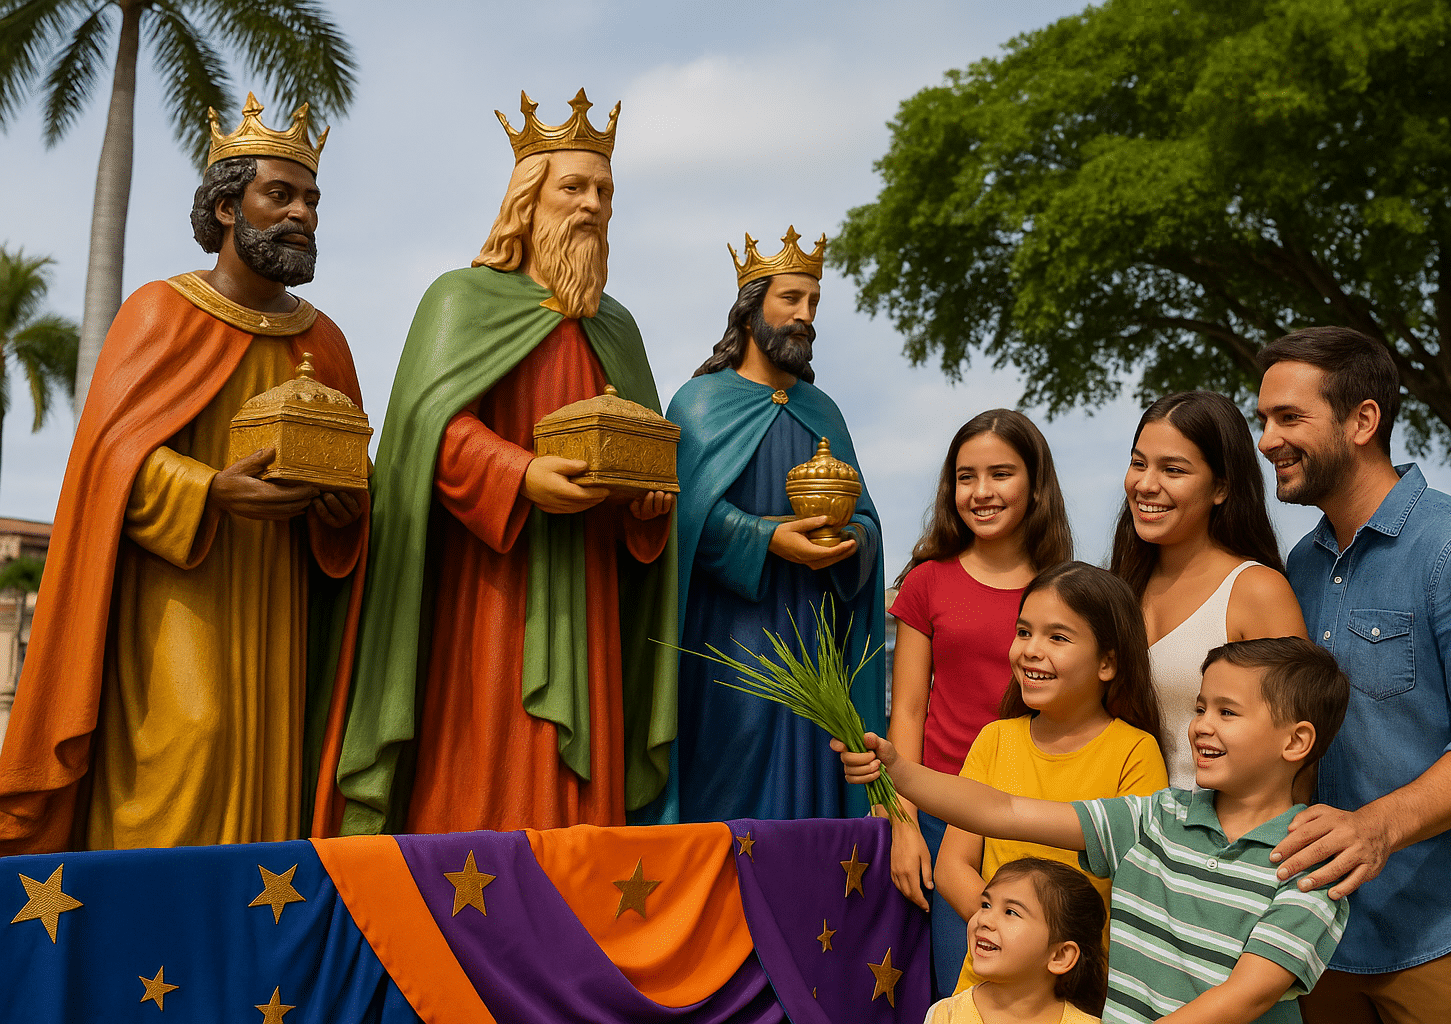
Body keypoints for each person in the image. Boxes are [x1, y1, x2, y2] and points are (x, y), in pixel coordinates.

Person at [0, 94, 368, 852]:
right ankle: (143, 950)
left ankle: (244, 955)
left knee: (272, 765)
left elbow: (356, 476)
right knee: (192, 737)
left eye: (311, 199)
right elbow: (107, 464)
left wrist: (343, 511)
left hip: (279, 602)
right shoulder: (160, 312)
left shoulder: (325, 340)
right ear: (228, 207)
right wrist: (208, 489)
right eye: (281, 194)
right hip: (176, 594)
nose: (303, 214)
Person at [333, 90, 677, 835]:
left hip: (589, 586)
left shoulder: (617, 327)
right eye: (573, 188)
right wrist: (519, 474)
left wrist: (647, 510)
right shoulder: (461, 298)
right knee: (484, 752)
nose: (591, 206)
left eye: (605, 192)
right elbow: (428, 431)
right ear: (528, 199)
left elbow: (649, 453)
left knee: (583, 791)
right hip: (491, 584)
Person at [842, 636, 1353, 1024]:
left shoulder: (1312, 862)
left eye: (1227, 712)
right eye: (1200, 707)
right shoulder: (1156, 816)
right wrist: (899, 772)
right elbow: (1007, 811)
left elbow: (1250, 993)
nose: (1201, 725)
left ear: (1296, 741)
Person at [1256, 327, 1451, 1024]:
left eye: (1289, 418)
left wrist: (1377, 826)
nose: (1266, 440)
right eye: (1262, 419)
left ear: (1362, 420)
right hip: (1324, 936)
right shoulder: (1302, 568)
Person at [659, 226, 883, 821]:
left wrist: (851, 540)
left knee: (807, 788)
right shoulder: (700, 403)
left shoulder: (822, 409)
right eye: (790, 299)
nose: (804, 315)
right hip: (726, 639)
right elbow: (681, 516)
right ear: (751, 308)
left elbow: (867, 518)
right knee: (726, 780)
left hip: (813, 634)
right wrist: (767, 539)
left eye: (813, 302)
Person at [888, 409, 1073, 993]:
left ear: (1035, 483)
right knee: (964, 987)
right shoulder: (928, 582)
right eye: (966, 477)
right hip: (947, 819)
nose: (982, 492)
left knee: (1047, 990)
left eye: (1001, 473)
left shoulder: (1066, 586)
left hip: (1041, 813)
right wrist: (903, 823)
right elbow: (909, 709)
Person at [935, 561, 1167, 994]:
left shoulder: (1135, 752)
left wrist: (1046, 955)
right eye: (1023, 632)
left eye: (1057, 637)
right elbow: (952, 865)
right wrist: (1011, 941)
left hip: (1080, 988)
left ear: (1107, 663)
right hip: (986, 988)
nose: (1030, 650)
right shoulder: (994, 740)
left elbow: (1142, 890)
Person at [1110, 391, 1306, 787]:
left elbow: (1296, 760)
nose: (1146, 484)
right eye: (1138, 463)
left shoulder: (1257, 591)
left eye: (1173, 470)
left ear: (1221, 488)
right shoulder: (1118, 586)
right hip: (1112, 836)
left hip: (1217, 844)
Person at [924, 858, 1107, 1024]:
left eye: (1011, 912)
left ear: (1060, 956)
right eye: (986, 905)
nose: (983, 920)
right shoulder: (945, 1015)